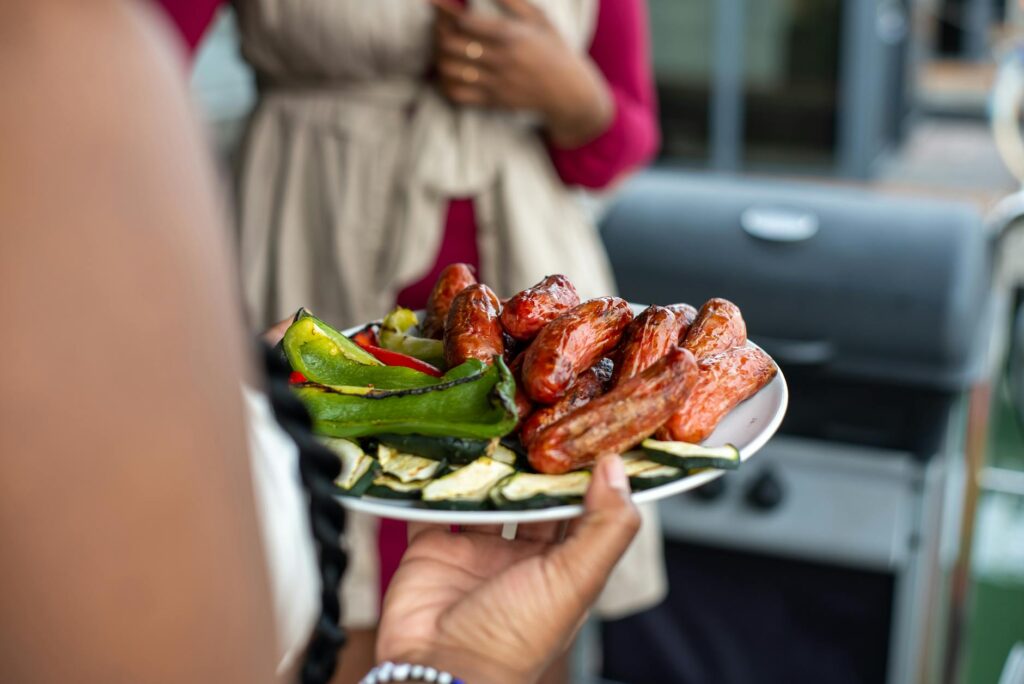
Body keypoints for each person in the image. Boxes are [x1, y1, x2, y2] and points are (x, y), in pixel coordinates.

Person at [0, 2, 642, 683]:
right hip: (311, 251)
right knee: (322, 611)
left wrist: (571, 95)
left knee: (518, 598)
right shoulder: (55, 53)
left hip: (527, 270)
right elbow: (103, 81)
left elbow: (617, 144)